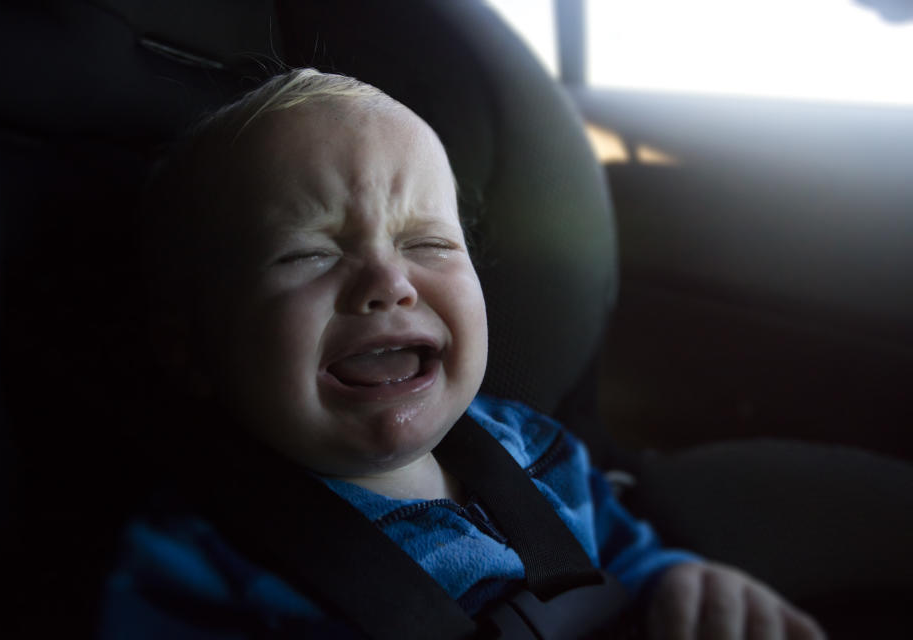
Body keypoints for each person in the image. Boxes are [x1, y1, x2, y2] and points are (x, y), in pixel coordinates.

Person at [98, 68, 826, 640]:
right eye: (307, 254)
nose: (388, 283)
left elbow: (625, 558)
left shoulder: (534, 450)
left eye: (428, 245)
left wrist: (682, 586)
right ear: (188, 346)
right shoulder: (190, 564)